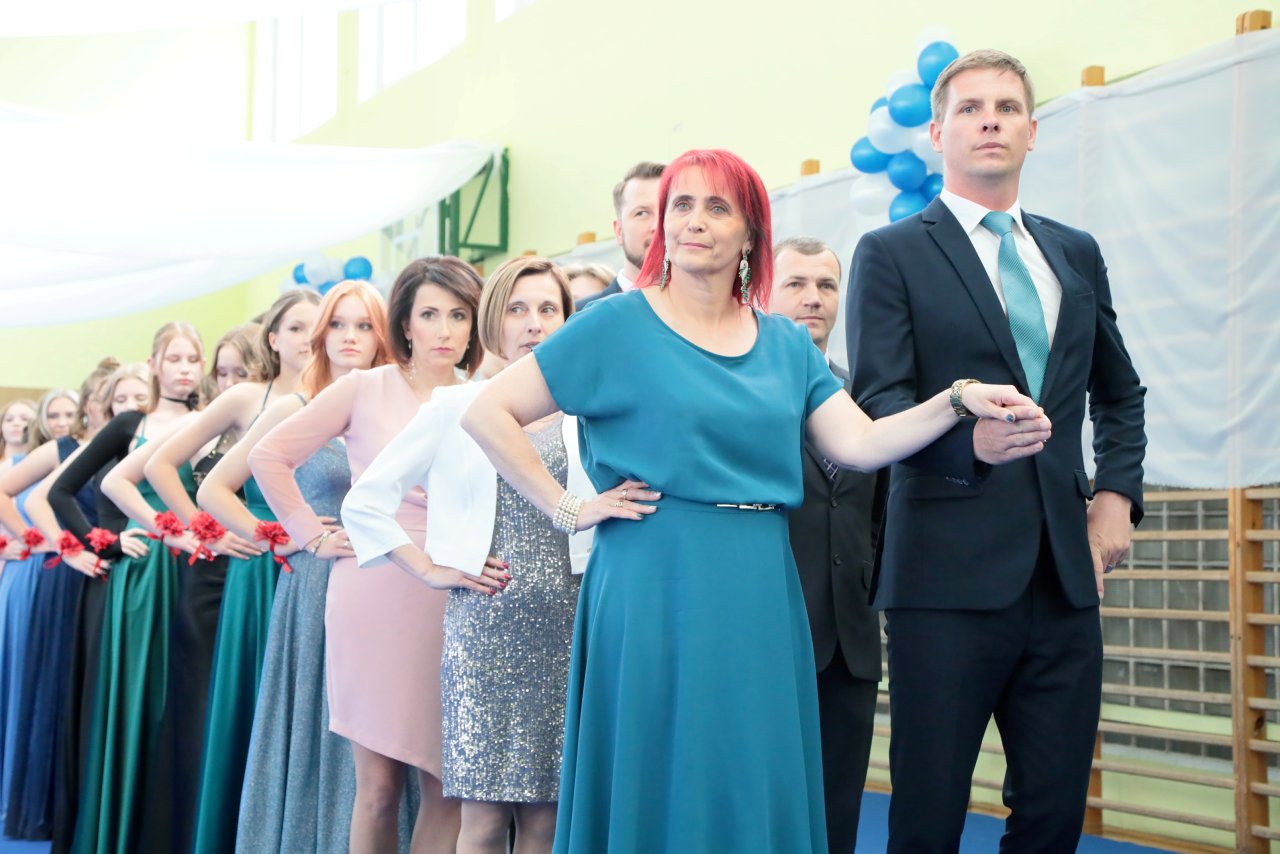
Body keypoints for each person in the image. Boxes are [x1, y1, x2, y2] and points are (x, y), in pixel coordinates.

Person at [461, 148, 1036, 852]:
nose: (694, 221)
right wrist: (567, 509)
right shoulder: (614, 325)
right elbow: (487, 412)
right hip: (652, 577)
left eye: (716, 207)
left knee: (747, 770)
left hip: (760, 582)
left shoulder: (787, 344)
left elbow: (861, 443)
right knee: (660, 769)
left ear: (750, 233)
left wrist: (956, 399)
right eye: (680, 204)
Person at [846, 49, 1147, 853]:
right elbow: (877, 407)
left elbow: (1120, 392)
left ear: (1032, 132)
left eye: (1007, 108)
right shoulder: (891, 252)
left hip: (1065, 576)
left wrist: (1116, 498)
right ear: (938, 133)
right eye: (971, 109)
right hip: (942, 578)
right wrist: (966, 442)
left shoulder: (1074, 252)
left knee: (1054, 815)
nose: (990, 121)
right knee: (929, 815)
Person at [344, 257, 600, 854]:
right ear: (492, 323)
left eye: (548, 309)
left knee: (546, 823)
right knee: (481, 822)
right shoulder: (452, 407)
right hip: (485, 632)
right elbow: (365, 503)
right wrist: (430, 567)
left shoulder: (590, 413)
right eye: (517, 309)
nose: (534, 323)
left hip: (572, 627)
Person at [249, 258, 485, 854]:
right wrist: (311, 534)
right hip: (375, 583)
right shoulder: (365, 387)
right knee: (378, 787)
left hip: (458, 588)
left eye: (459, 315)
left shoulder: (487, 394)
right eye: (429, 314)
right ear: (404, 323)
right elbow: (268, 457)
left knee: (447, 785)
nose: (444, 330)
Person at [202, 281, 398, 853]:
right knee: (322, 721)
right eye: (337, 324)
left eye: (364, 325)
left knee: (384, 736)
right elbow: (216, 489)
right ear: (320, 335)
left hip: (392, 579)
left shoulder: (394, 404)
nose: (350, 337)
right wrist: (286, 537)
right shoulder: (295, 406)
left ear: (383, 335)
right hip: (318, 584)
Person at [142, 291, 320, 854]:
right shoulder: (249, 396)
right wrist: (209, 530)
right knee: (245, 699)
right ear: (273, 338)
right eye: (296, 327)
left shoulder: (344, 392)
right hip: (258, 564)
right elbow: (159, 465)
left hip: (323, 567)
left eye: (317, 326)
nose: (308, 338)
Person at [770, 236, 884, 854]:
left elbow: (880, 513)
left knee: (839, 814)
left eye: (826, 285)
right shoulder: (744, 390)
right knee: (767, 812)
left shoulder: (867, 394)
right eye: (795, 284)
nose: (812, 298)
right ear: (764, 292)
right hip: (769, 632)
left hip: (851, 638)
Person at [47, 363, 152, 854]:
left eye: (139, 396)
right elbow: (55, 493)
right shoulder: (116, 436)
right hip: (114, 576)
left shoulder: (174, 428)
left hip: (169, 576)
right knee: (102, 695)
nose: (132, 405)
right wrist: (91, 544)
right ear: (106, 406)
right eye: (122, 398)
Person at [574, 161, 664, 308]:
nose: (657, 226)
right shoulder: (579, 314)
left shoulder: (702, 311)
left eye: (667, 212)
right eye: (642, 213)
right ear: (619, 231)